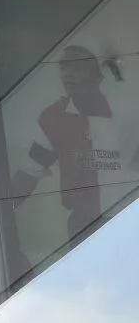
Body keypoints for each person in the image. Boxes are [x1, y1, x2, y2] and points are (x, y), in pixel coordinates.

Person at [11, 45, 139, 243]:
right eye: (64, 68)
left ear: (98, 76)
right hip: (84, 223)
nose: (68, 74)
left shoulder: (124, 112)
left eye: (77, 67)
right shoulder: (53, 118)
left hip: (127, 214)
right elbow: (30, 171)